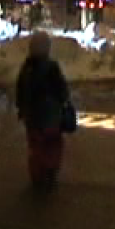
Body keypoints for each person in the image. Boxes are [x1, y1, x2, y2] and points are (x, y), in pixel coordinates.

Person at [15, 31, 72, 189]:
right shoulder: (52, 67)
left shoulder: (27, 68)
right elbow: (62, 90)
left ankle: (37, 175)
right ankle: (50, 171)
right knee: (52, 146)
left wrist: (22, 108)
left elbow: (20, 90)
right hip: (51, 117)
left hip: (32, 118)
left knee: (36, 147)